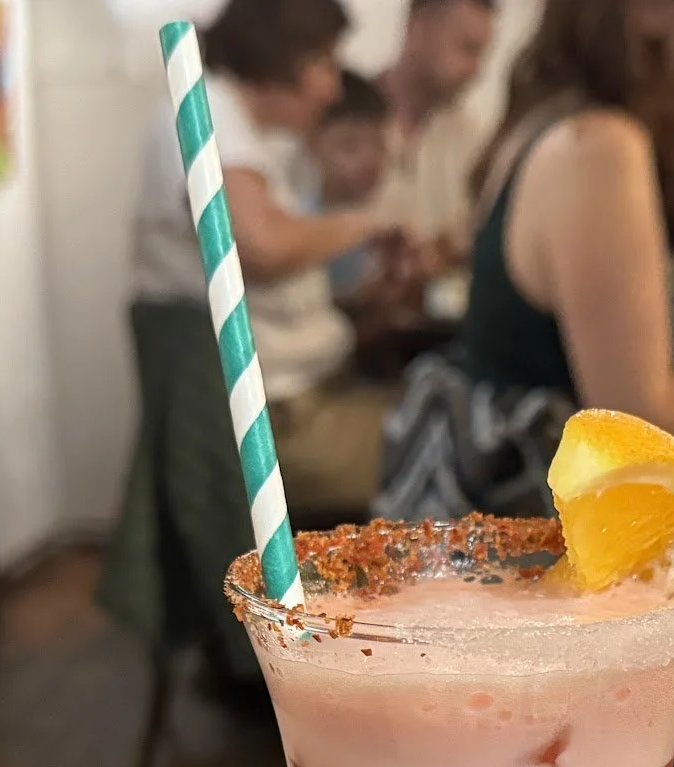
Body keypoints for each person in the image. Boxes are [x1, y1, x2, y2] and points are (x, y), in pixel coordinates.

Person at [379, 0, 674, 524]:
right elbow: (644, 437)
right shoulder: (598, 148)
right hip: (527, 557)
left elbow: (651, 356)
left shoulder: (560, 121)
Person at [129, 0, 410, 523]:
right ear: (283, 58)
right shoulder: (206, 113)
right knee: (444, 444)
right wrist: (366, 224)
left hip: (301, 396)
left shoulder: (244, 133)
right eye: (324, 62)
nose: (331, 88)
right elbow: (260, 250)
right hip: (282, 421)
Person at [377, 0, 498, 268]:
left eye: (482, 55)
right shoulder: (340, 122)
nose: (476, 70)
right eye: (467, 48)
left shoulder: (473, 140)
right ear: (418, 31)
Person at [311, 70, 394, 301]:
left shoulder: (369, 219)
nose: (370, 161)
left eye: (379, 144)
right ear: (311, 145)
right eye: (349, 145)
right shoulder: (303, 218)